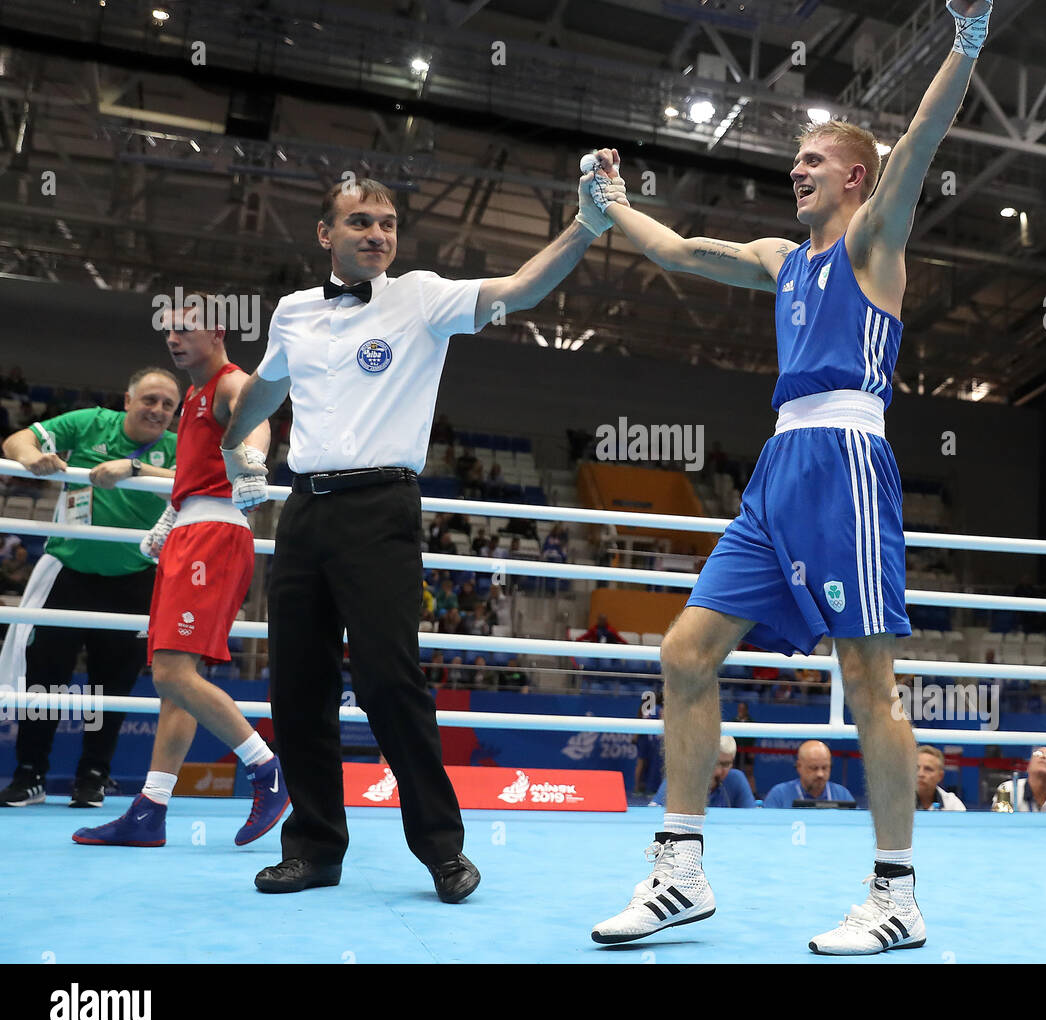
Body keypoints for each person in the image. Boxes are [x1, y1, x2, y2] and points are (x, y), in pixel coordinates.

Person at [590, 0, 999, 953]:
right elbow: (683, 249)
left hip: (846, 464)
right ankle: (680, 872)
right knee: (683, 653)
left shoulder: (874, 241)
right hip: (776, 474)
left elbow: (919, 145)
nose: (797, 169)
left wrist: (968, 35)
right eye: (797, 160)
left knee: (870, 689)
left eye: (814, 159)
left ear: (854, 178)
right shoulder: (786, 257)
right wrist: (609, 202)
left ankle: (896, 895)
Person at [218, 169, 627, 898]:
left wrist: (585, 226)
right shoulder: (292, 312)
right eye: (360, 222)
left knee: (388, 680)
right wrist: (231, 442)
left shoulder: (420, 296)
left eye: (386, 223)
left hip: (381, 508)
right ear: (326, 234)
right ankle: (314, 847)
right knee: (299, 686)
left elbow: (519, 289)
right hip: (304, 510)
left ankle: (441, 848)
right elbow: (268, 386)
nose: (377, 234)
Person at [72, 304, 286, 848]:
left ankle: (268, 770)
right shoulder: (192, 396)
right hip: (192, 532)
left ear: (216, 332)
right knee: (178, 686)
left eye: (184, 329)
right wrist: (172, 514)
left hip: (212, 539)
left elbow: (256, 419)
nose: (172, 338)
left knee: (170, 673)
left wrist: (253, 463)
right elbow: (195, 474)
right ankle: (151, 810)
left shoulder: (229, 381)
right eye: (168, 329)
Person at [0, 369, 180, 807]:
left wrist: (135, 468)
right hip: (68, 572)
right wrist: (32, 457)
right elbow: (16, 440)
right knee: (43, 682)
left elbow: (189, 486)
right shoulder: (88, 422)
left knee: (112, 686)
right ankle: (30, 775)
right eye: (150, 400)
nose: (157, 410)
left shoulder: (178, 447)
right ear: (128, 400)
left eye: (167, 405)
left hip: (134, 580)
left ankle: (94, 776)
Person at [650, 736, 754, 809]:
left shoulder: (736, 780)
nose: (718, 771)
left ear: (732, 763)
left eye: (725, 764)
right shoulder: (679, 778)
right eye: (713, 763)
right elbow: (652, 815)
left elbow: (753, 820)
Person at [762, 740, 855, 807]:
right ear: (799, 767)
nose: (820, 774)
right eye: (814, 768)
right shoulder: (779, 795)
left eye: (825, 768)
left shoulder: (842, 794)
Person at [915, 745, 965, 811]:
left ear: (940, 776)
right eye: (916, 768)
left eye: (928, 769)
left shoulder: (952, 804)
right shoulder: (898, 800)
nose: (920, 774)